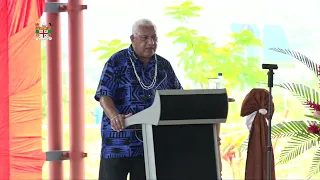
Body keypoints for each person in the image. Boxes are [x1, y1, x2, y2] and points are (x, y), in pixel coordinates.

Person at [94, 19, 183, 180]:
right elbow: (104, 95)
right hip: (118, 142)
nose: (151, 42)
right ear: (132, 39)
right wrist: (115, 116)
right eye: (144, 38)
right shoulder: (117, 62)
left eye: (154, 38)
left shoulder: (164, 66)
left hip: (150, 145)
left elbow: (177, 97)